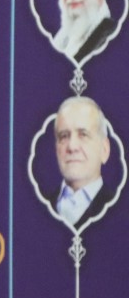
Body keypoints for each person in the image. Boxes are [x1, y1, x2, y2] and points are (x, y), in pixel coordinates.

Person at [52, 96, 113, 227]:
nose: (72, 146)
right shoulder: (36, 208)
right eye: (64, 136)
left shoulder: (121, 209)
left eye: (83, 135)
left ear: (104, 149)